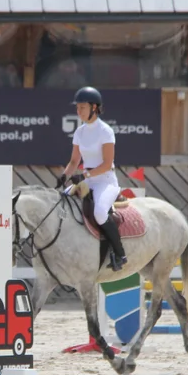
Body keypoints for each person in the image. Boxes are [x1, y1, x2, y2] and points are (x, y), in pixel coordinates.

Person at [56, 87, 127, 271]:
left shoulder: (106, 131)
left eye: (82, 107)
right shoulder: (79, 132)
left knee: (100, 213)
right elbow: (74, 161)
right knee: (60, 202)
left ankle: (120, 253)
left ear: (94, 107)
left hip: (106, 180)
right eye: (77, 108)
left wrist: (84, 175)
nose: (78, 111)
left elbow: (106, 163)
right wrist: (65, 175)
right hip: (87, 180)